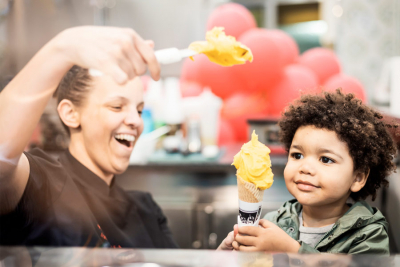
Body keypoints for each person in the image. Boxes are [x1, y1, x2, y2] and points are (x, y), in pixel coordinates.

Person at [0, 26, 178, 248]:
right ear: (70, 113)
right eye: (116, 106)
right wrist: (62, 48)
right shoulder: (43, 186)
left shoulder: (147, 209)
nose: (136, 121)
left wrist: (220, 257)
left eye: (139, 110)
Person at [218, 90, 397, 254]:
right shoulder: (274, 221)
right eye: (297, 155)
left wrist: (292, 251)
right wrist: (227, 255)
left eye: (325, 159)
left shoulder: (369, 234)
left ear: (357, 178)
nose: (305, 167)